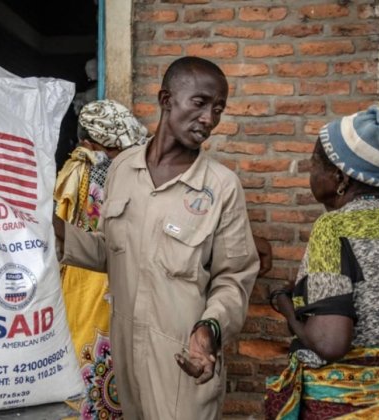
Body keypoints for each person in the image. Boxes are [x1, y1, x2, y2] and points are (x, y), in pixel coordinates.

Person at [53, 57, 260, 419]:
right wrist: (56, 231)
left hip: (183, 360)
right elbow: (111, 250)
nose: (209, 119)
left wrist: (209, 329)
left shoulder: (221, 187)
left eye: (218, 109)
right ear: (166, 99)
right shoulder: (122, 168)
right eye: (200, 103)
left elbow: (234, 278)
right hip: (126, 356)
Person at [266, 106, 379, 419]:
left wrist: (285, 303)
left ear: (339, 177)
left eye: (314, 165)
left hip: (348, 408)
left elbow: (330, 343)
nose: (309, 172)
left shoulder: (332, 227)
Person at [54, 99, 148, 419]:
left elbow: (59, 229)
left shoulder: (78, 169)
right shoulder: (141, 171)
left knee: (84, 350)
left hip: (83, 277)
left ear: (86, 141)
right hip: (120, 278)